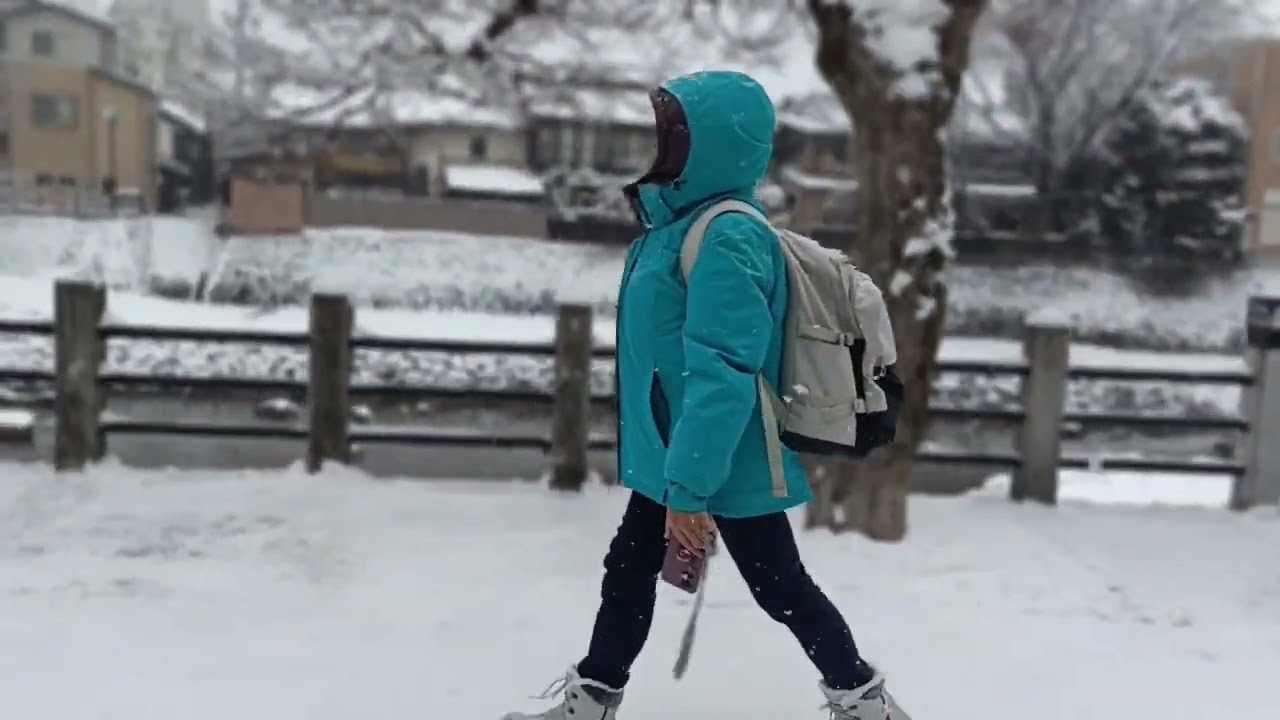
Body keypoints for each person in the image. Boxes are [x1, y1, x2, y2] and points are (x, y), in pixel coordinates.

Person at [500, 70, 891, 720]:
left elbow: (724, 371)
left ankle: (863, 702)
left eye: (671, 134)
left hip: (720, 461)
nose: (658, 147)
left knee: (781, 589)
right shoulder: (677, 230)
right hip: (678, 455)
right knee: (627, 576)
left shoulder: (727, 235)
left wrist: (690, 489)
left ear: (710, 147)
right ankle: (591, 701)